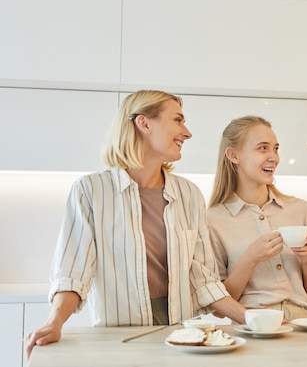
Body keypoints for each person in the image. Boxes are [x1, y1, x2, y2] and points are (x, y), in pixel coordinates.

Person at [25, 90, 247, 358]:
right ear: (144, 123)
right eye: (178, 120)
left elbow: (204, 281)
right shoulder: (92, 191)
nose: (186, 133)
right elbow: (73, 272)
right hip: (121, 341)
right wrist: (55, 322)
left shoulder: (189, 194)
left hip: (183, 337)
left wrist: (252, 320)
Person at [207, 115, 307, 321]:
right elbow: (219, 306)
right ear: (233, 155)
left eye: (276, 148)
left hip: (303, 324)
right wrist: (250, 258)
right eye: (263, 148)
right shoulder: (213, 220)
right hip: (252, 325)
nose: (274, 157)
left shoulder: (300, 209)